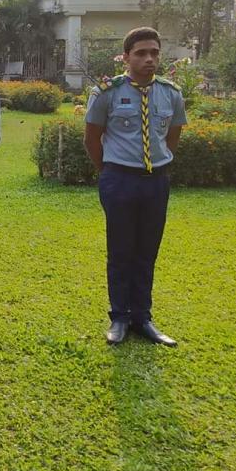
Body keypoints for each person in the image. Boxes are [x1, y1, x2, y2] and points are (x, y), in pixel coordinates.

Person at [84, 27, 186, 347]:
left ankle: (143, 317)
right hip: (119, 180)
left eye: (154, 52)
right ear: (126, 57)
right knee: (121, 250)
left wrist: (156, 164)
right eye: (141, 53)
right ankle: (119, 317)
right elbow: (91, 138)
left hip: (156, 181)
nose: (149, 59)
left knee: (147, 251)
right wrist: (109, 171)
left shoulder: (171, 93)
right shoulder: (107, 92)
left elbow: (172, 136)